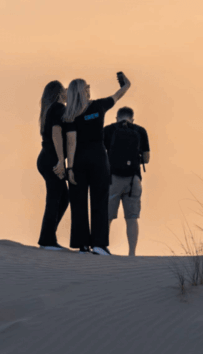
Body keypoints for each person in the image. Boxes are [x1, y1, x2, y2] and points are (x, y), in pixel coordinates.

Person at [63, 72, 132, 255]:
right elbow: (117, 96)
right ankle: (99, 245)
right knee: (99, 201)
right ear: (83, 91)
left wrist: (69, 167)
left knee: (78, 202)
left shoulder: (70, 114)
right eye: (87, 86)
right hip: (99, 158)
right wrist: (126, 85)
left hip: (78, 160)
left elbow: (71, 142)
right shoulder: (99, 106)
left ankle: (82, 245)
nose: (89, 88)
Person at [104, 107, 150, 256]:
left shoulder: (108, 130)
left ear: (116, 118)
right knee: (132, 218)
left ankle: (101, 247)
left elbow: (101, 152)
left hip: (112, 179)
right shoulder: (140, 131)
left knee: (108, 217)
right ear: (133, 118)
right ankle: (131, 253)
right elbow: (147, 159)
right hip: (133, 180)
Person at [36, 80, 69, 249]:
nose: (66, 93)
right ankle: (47, 240)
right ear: (59, 93)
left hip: (46, 158)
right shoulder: (57, 108)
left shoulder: (49, 109)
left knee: (62, 197)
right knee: (55, 199)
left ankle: (48, 236)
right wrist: (61, 160)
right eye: (64, 91)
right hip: (51, 159)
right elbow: (57, 133)